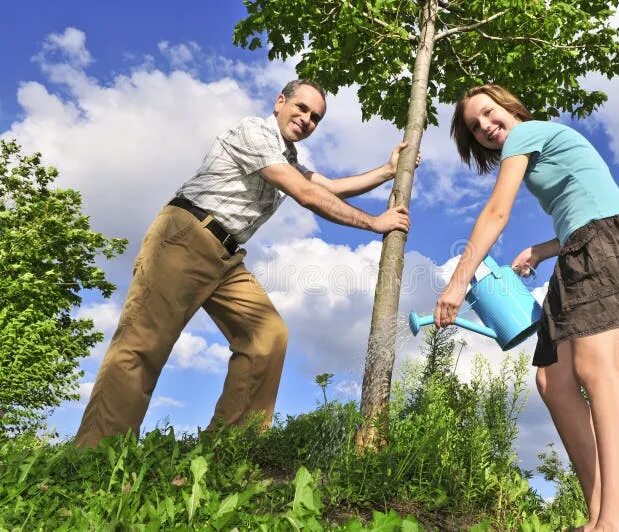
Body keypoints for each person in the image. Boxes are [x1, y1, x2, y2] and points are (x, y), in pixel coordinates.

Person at [75, 79, 413, 447]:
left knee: (267, 336)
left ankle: (228, 449)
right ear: (280, 102)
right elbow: (306, 194)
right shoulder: (254, 131)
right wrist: (373, 222)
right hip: (186, 235)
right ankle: (94, 455)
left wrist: (386, 170)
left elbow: (328, 186)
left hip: (227, 255)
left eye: (315, 117)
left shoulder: (289, 159)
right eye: (301, 108)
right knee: (143, 343)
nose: (306, 119)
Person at [435, 84, 619, 531]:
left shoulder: (525, 133)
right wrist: (542, 250)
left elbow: (496, 213)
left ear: (511, 107)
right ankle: (598, 516)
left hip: (602, 243)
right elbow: (587, 202)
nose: (487, 128)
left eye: (490, 114)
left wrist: (457, 284)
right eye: (475, 127)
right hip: (580, 246)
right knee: (553, 380)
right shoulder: (536, 145)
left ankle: (616, 524)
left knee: (597, 367)